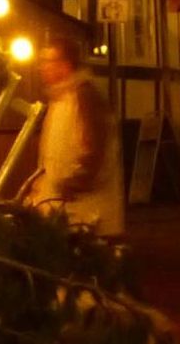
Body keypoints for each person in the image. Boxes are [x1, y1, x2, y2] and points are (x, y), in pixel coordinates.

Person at [27, 37, 124, 236]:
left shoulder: (85, 98)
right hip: (64, 207)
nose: (43, 67)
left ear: (65, 65)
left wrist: (71, 185)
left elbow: (96, 150)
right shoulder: (61, 98)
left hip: (86, 211)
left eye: (49, 61)